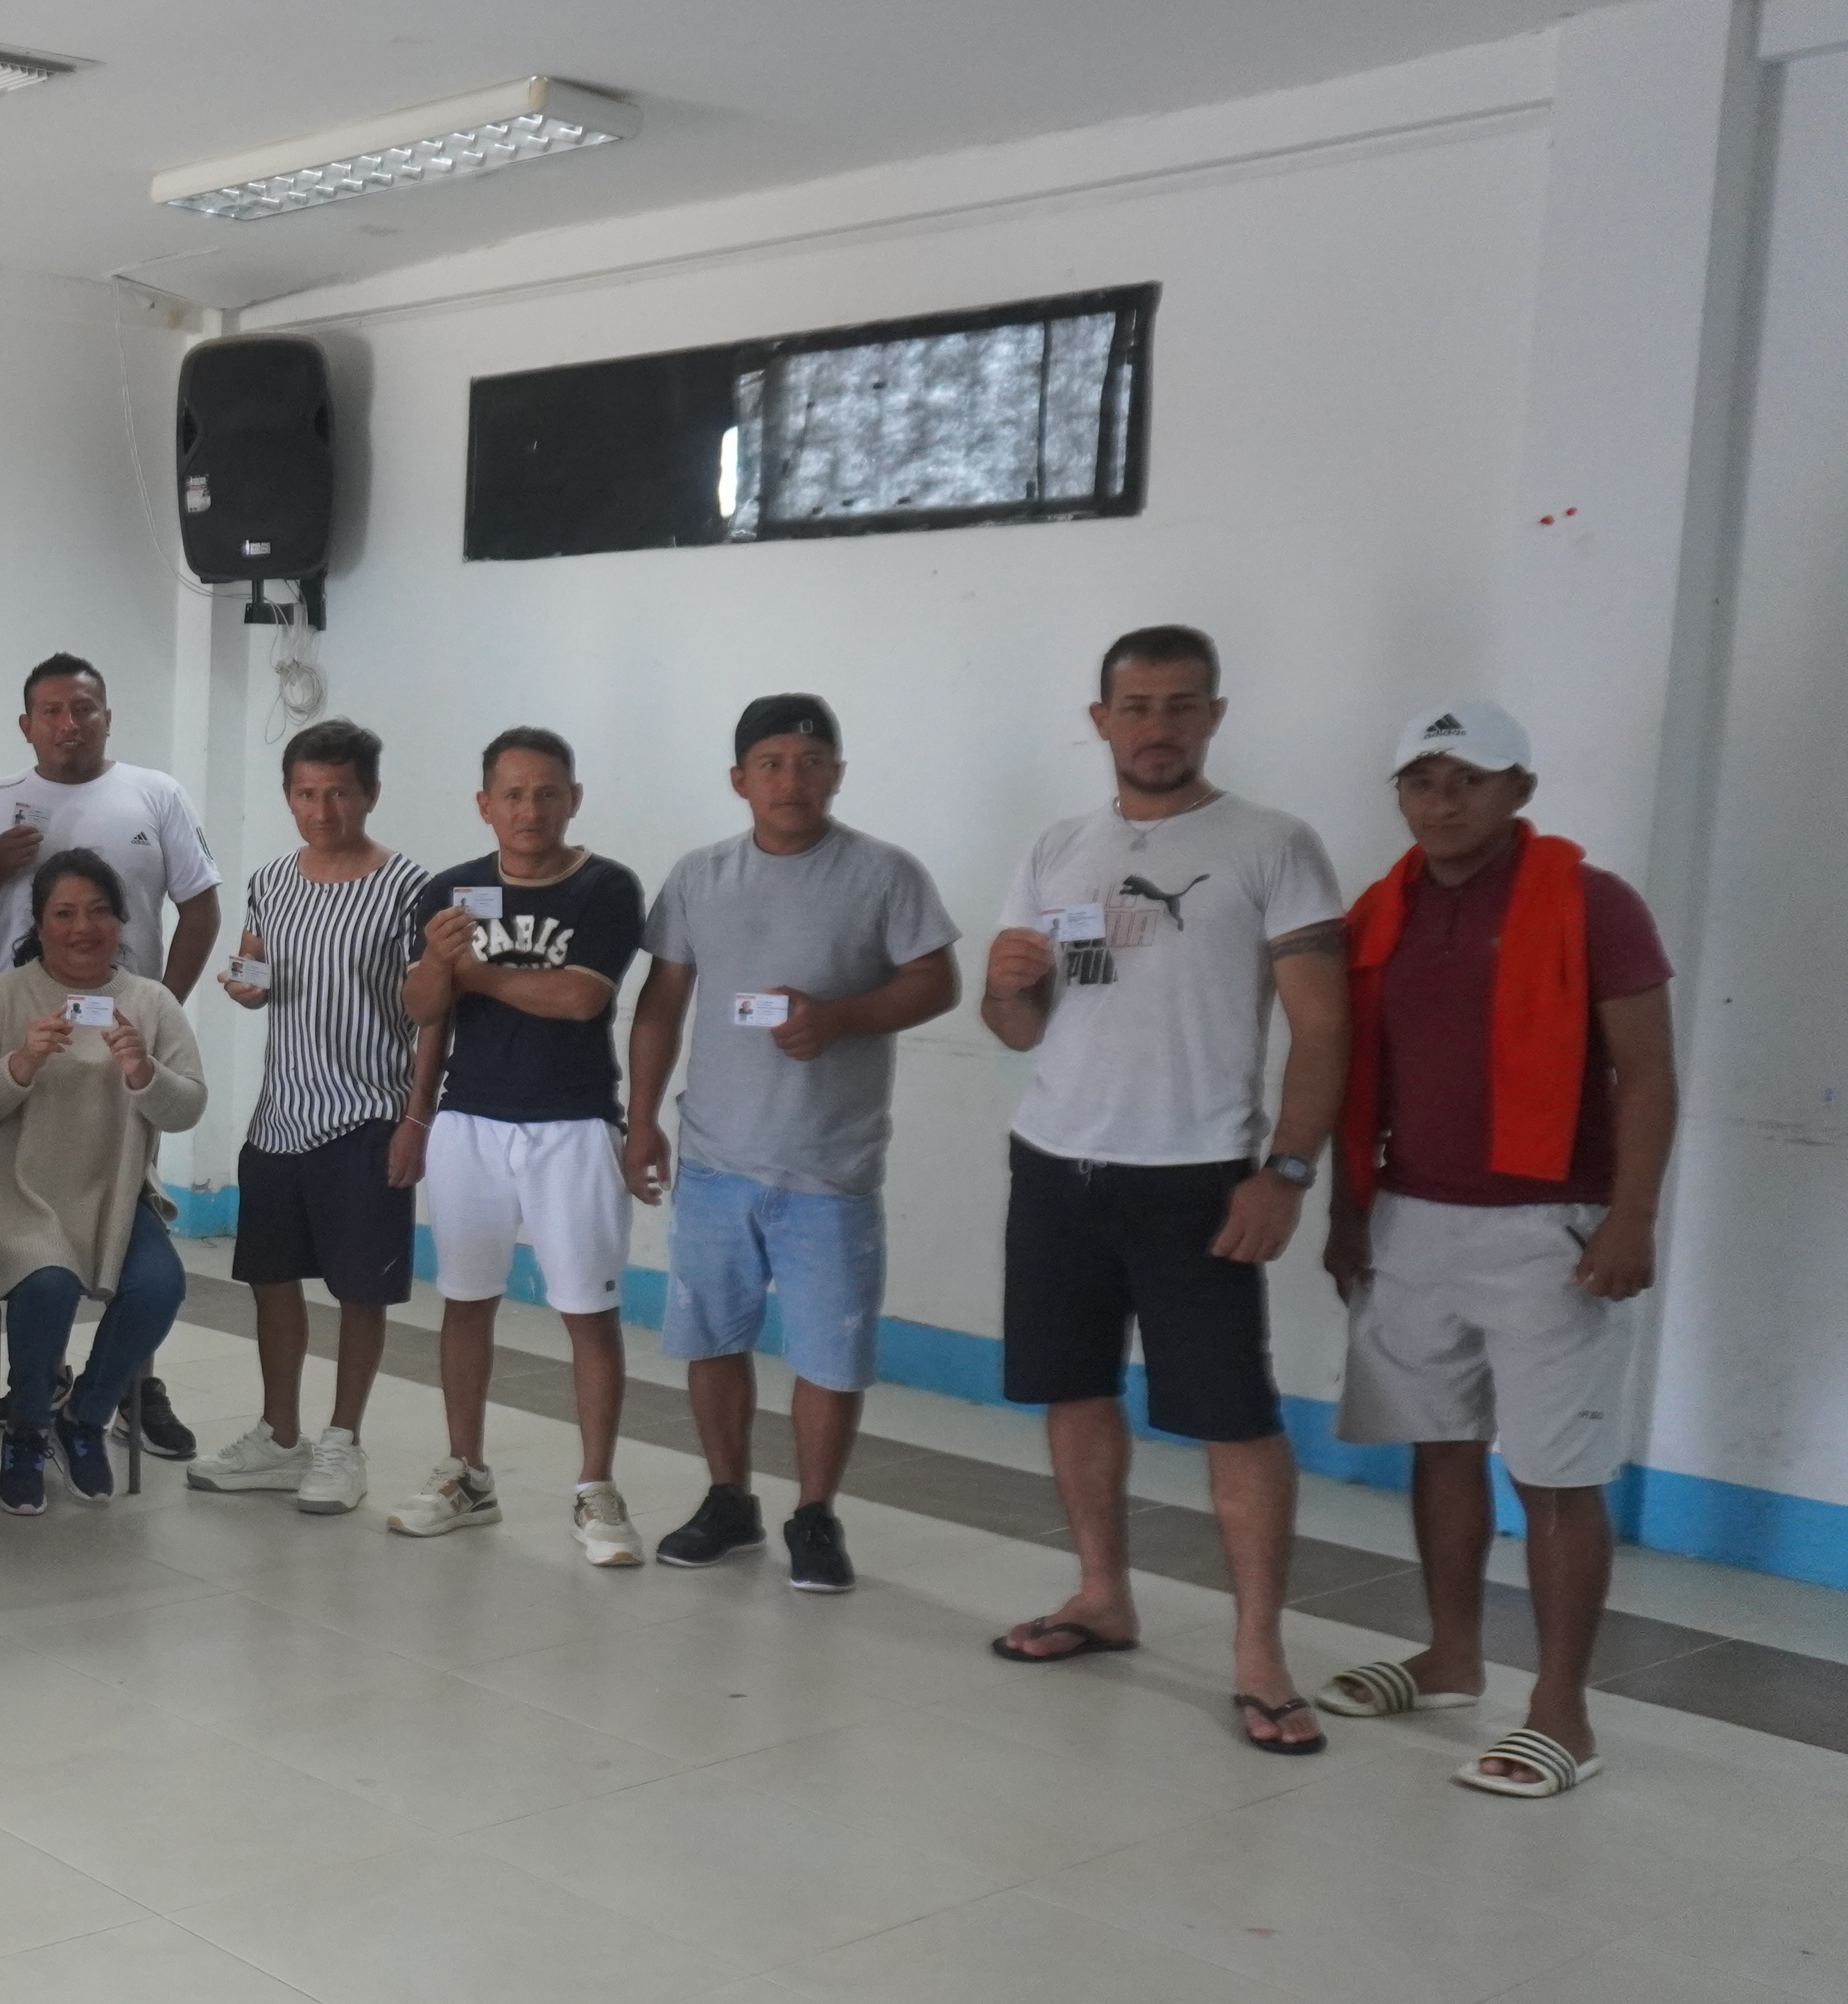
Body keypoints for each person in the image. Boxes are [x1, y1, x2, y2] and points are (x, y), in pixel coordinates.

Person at [980, 625, 1348, 1756]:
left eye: (1181, 704)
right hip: (1056, 1164)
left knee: (1236, 1419)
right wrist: (1006, 988)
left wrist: (1288, 1171)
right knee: (1074, 1389)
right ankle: (1103, 1595)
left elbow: (1325, 1027)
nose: (1157, 726)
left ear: (1214, 715)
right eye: (1135, 706)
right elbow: (1017, 1027)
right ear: (1101, 720)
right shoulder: (1057, 847)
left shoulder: (1273, 844)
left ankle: (1259, 1653)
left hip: (1197, 1178)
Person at [1315, 704, 1676, 1798]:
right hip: (1411, 1216)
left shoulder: (1592, 903)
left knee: (1556, 1474)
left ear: (1519, 789)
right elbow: (1355, 1073)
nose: (1442, 803)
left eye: (1467, 780)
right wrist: (1347, 1214)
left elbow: (1647, 1072)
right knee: (1441, 1445)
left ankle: (1562, 1713)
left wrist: (1631, 1216)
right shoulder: (1381, 911)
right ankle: (1450, 1657)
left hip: (1547, 1227)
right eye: (1421, 782)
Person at [618, 696, 962, 1593]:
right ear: (740, 780)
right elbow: (662, 1003)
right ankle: (728, 1498)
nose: (791, 781)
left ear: (836, 774)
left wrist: (842, 1017)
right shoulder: (700, 876)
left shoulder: (884, 874)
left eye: (811, 763)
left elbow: (937, 981)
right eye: (770, 764)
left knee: (828, 1354)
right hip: (715, 1159)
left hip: (829, 1167)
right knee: (710, 1338)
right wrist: (642, 1118)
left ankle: (815, 1515)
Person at [0, 653, 221, 1462]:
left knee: (126, 1220)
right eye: (52, 711)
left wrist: (157, 1006)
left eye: (85, 709)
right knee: (41, 1249)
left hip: (119, 1060)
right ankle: (41, 1384)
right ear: (26, 724)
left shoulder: (156, 794)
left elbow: (201, 904)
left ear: (107, 716)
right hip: (25, 1047)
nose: (70, 724)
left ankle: (131, 1387)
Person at [388, 728, 650, 1557]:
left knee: (588, 1312)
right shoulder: (450, 889)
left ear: (573, 799)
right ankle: (467, 1473)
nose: (529, 808)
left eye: (546, 792)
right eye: (512, 793)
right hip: (469, 1120)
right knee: (466, 1300)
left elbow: (580, 998)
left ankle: (596, 1490)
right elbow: (423, 1009)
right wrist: (417, 1113)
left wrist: (477, 974)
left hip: (573, 1122)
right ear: (485, 804)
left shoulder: (606, 886)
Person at [192, 720, 429, 1517]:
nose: (322, 810)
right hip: (279, 1118)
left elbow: (433, 1008)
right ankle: (280, 1435)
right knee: (271, 1280)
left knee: (362, 1290)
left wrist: (417, 1119)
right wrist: (244, 984)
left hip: (368, 1114)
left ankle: (343, 1441)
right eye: (306, 793)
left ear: (371, 793)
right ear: (288, 796)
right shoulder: (271, 881)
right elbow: (253, 963)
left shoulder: (409, 887)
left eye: (339, 793)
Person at [0, 850, 207, 1515]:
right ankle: (27, 1428)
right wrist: (21, 1063)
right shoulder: (1, 997)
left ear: (121, 921)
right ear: (38, 925)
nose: (82, 927)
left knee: (160, 1287)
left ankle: (84, 1417)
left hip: (113, 1195)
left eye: (98, 912)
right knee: (47, 1282)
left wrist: (145, 1073)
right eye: (64, 914)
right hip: (12, 1191)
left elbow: (188, 1107)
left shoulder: (151, 1002)